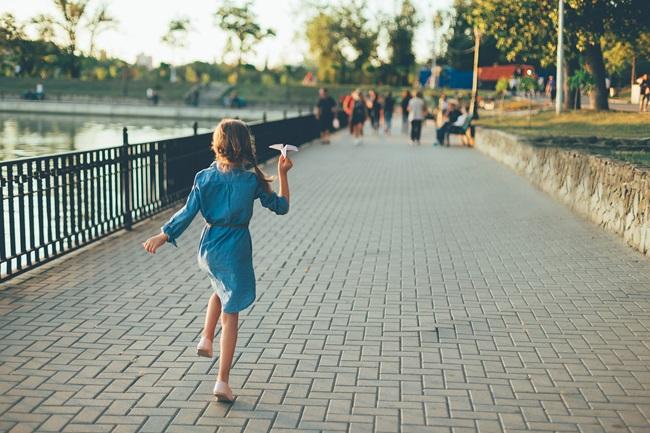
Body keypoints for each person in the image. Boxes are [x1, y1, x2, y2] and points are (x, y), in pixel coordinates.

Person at [142, 119, 293, 403]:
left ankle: (206, 338)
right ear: (245, 148)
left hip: (209, 248)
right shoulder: (252, 181)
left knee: (220, 288)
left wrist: (164, 235)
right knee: (231, 312)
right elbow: (281, 207)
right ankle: (222, 381)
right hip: (235, 248)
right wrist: (282, 174)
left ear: (217, 145)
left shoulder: (204, 177)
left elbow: (187, 213)